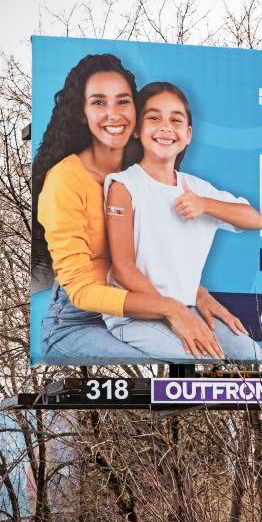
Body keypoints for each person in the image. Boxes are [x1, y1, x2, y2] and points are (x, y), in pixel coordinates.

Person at [32, 54, 241, 363]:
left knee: (244, 350)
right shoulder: (64, 181)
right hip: (79, 320)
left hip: (147, 307)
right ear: (82, 112)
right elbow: (81, 291)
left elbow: (156, 254)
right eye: (99, 103)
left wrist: (196, 295)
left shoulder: (140, 170)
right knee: (196, 357)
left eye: (123, 102)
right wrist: (172, 308)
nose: (113, 114)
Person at [103, 82, 262, 362]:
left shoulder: (197, 188)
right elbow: (123, 269)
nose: (166, 127)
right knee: (195, 355)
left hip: (184, 307)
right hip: (136, 314)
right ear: (137, 129)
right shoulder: (124, 186)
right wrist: (172, 311)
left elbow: (254, 219)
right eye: (154, 118)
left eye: (176, 120)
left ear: (188, 134)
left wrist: (205, 206)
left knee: (250, 355)